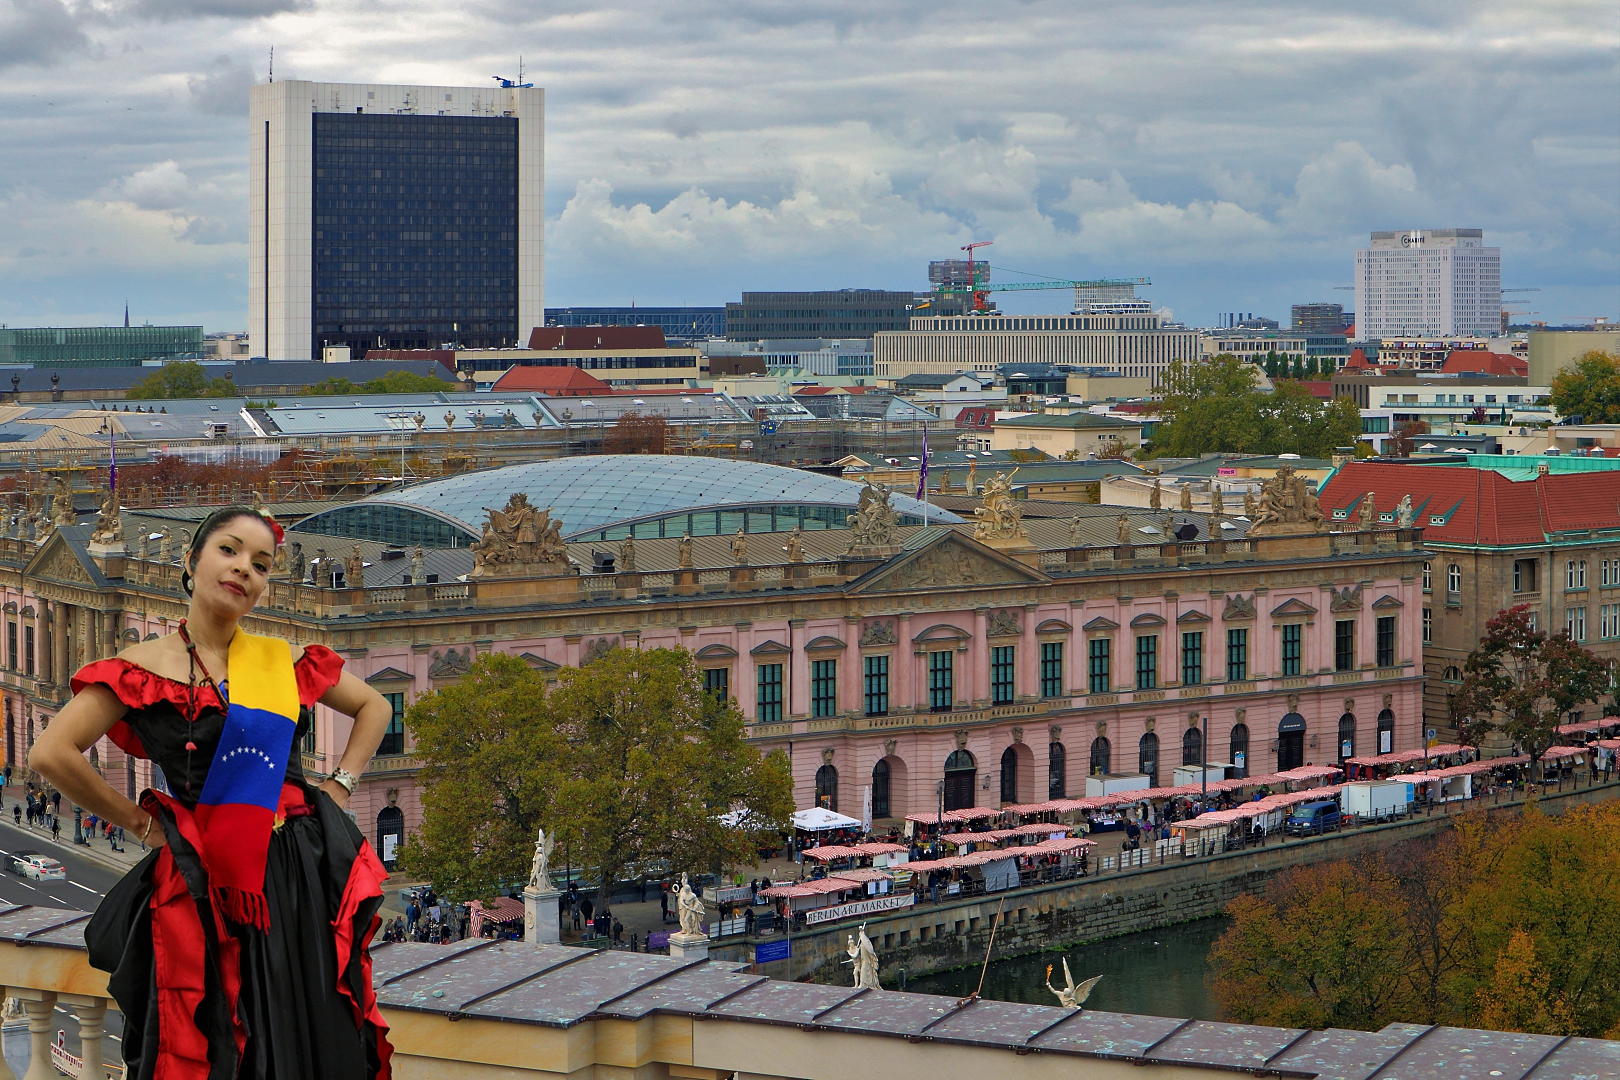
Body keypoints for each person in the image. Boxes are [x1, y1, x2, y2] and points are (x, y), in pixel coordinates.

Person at [27, 505, 395, 1080]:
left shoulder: (282, 659)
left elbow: (376, 705)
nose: (244, 568)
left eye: (261, 563)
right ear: (191, 562)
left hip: (299, 871)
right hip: (208, 877)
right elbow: (49, 753)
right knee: (221, 1029)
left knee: (307, 1017)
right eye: (229, 550)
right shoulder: (141, 669)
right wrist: (141, 823)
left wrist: (340, 786)